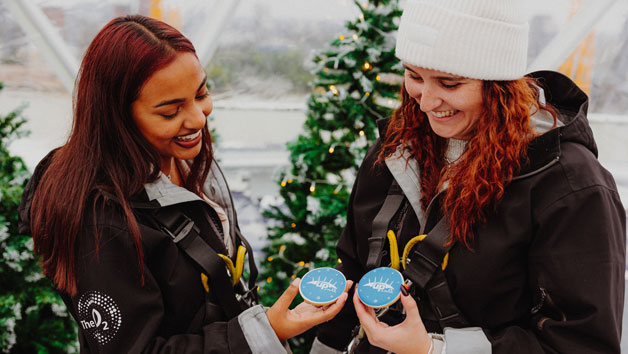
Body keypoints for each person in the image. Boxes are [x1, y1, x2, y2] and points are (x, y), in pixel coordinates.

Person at [18, 15, 351, 353]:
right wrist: (260, 333)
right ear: (117, 116)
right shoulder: (100, 222)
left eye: (201, 93)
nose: (197, 118)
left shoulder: (181, 158)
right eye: (169, 112)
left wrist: (261, 330)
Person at [311, 0, 626, 353]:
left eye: (449, 83)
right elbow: (352, 268)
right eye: (414, 76)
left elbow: (582, 344)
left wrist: (437, 349)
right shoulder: (396, 150)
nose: (426, 102)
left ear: (499, 86)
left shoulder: (569, 185)